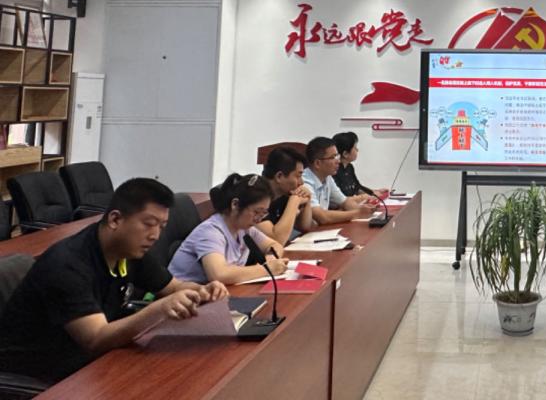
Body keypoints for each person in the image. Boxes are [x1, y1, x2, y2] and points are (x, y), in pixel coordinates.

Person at [0, 178, 227, 383]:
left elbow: (173, 287)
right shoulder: (67, 264)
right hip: (41, 375)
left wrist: (202, 291)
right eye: (148, 224)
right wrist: (158, 310)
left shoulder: (130, 251)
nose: (155, 235)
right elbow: (95, 339)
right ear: (115, 219)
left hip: (89, 364)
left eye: (161, 227)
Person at [169, 173, 288, 284]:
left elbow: (274, 245)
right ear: (235, 205)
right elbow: (218, 275)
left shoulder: (245, 229)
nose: (259, 220)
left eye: (264, 213)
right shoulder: (211, 232)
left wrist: (271, 257)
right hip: (183, 294)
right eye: (256, 212)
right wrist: (266, 269)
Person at [303, 136, 374, 224]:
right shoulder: (305, 182)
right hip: (309, 231)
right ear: (317, 163)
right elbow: (322, 217)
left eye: (337, 156)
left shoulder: (327, 177)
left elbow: (345, 202)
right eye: (333, 157)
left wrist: (366, 210)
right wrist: (358, 213)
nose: (338, 161)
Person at [257, 147, 315, 245]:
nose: (301, 182)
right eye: (298, 176)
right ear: (279, 176)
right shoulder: (256, 196)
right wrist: (294, 201)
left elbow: (305, 227)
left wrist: (308, 199)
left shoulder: (284, 194)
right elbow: (277, 240)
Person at [332, 132, 387, 205]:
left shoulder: (349, 167)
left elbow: (357, 187)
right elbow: (340, 199)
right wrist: (365, 197)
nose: (357, 150)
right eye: (355, 148)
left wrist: (374, 192)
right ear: (345, 154)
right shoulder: (334, 171)